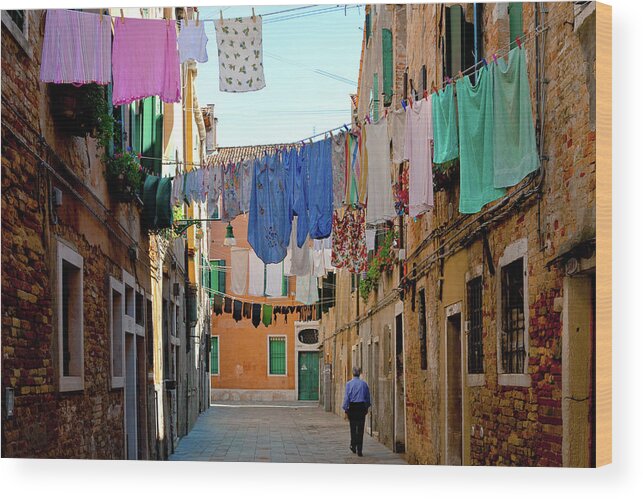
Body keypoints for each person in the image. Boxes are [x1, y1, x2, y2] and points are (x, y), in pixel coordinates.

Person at [342, 367, 371, 457]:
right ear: (360, 373)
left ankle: (353, 446)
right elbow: (367, 397)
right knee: (361, 429)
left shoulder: (349, 384)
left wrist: (345, 408)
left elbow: (347, 397)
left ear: (353, 373)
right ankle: (360, 449)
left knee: (353, 428)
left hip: (353, 407)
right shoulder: (364, 384)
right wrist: (366, 407)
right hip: (361, 407)